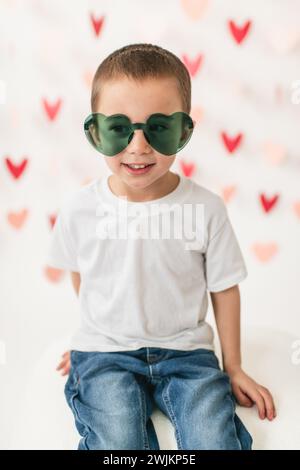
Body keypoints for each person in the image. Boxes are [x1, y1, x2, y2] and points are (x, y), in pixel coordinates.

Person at [48, 43, 276, 450]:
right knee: (117, 442)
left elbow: (224, 287)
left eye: (159, 128)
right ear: (95, 131)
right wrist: (92, 337)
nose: (138, 146)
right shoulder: (80, 209)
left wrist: (234, 365)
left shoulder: (206, 208)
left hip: (187, 355)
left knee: (213, 440)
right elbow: (82, 271)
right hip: (105, 357)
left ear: (184, 131)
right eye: (119, 128)